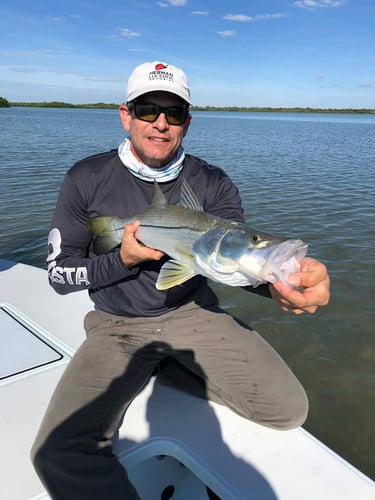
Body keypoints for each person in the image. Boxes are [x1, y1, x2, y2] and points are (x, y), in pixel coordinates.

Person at [31, 61, 330, 499]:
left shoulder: (213, 182)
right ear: (125, 114)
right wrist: (122, 260)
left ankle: (165, 366)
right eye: (147, 109)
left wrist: (281, 281)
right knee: (58, 451)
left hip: (193, 313)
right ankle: (159, 365)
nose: (160, 123)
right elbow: (59, 276)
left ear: (187, 122)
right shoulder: (86, 177)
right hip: (116, 324)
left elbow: (228, 257)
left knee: (287, 410)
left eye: (173, 114)